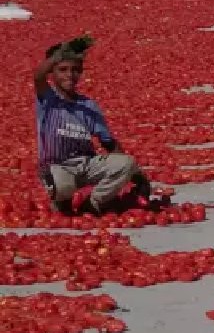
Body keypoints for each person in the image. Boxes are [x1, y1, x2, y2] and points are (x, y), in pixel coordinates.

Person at [34, 35, 154, 215]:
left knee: (127, 163)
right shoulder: (48, 100)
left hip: (87, 165)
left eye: (75, 70)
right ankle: (62, 201)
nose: (69, 75)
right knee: (63, 188)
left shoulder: (88, 106)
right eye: (62, 69)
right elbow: (37, 77)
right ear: (53, 72)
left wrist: (135, 174)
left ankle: (92, 203)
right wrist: (57, 55)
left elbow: (108, 143)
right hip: (58, 166)